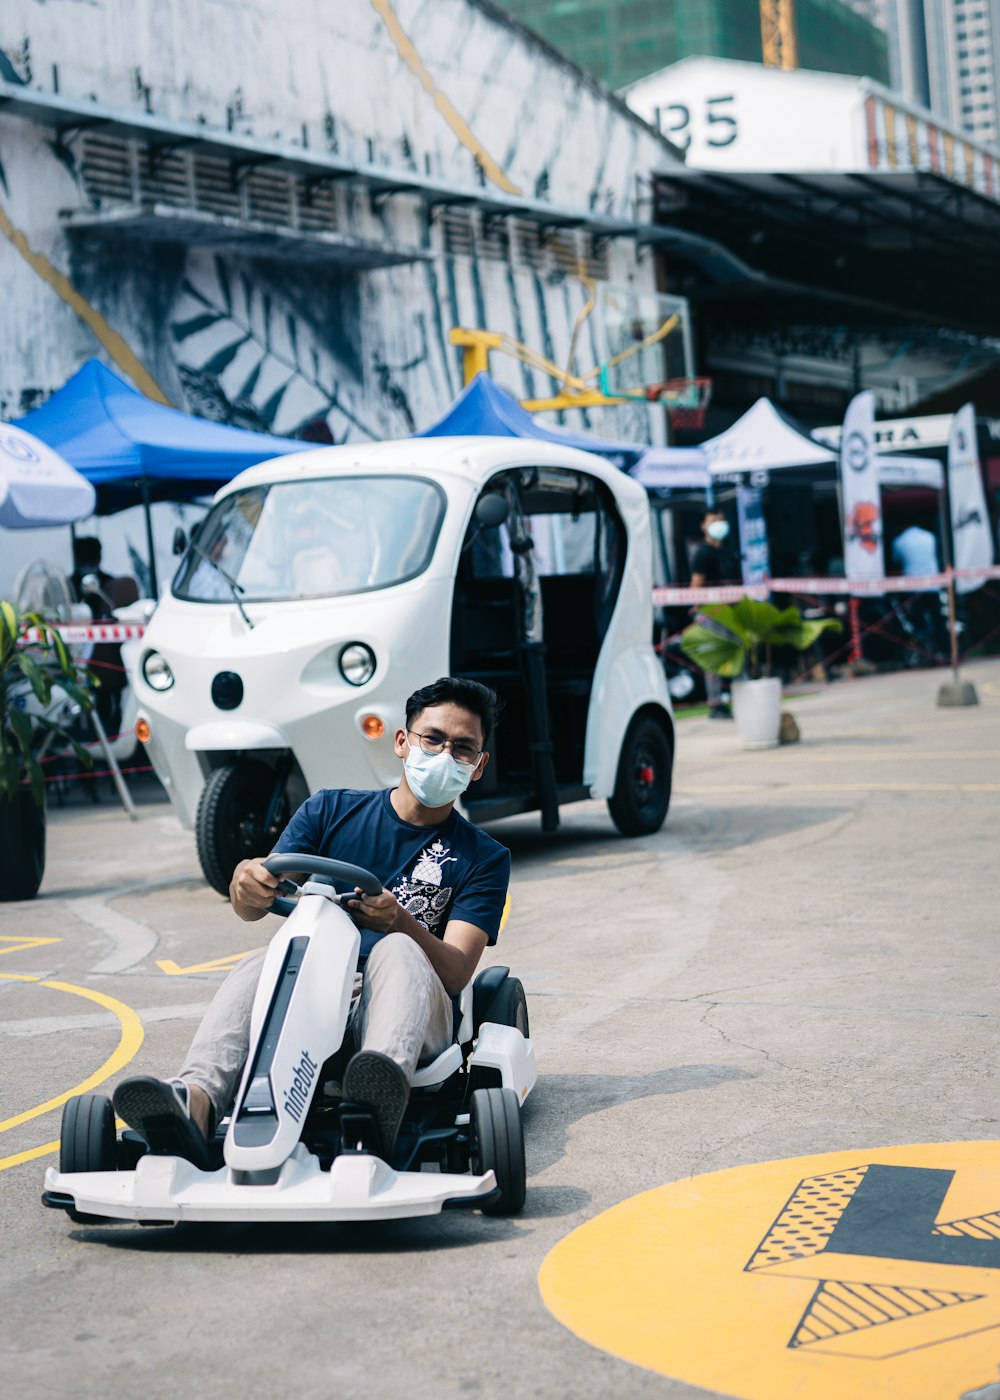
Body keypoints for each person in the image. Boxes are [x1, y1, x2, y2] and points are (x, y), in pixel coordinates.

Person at [113, 676, 510, 1163]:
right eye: (434, 739)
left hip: (414, 1007)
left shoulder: (484, 857)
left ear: (477, 766)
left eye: (463, 748)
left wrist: (401, 923)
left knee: (398, 950)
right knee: (265, 961)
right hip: (317, 989)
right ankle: (194, 1101)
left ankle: (377, 1099)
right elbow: (254, 904)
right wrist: (245, 882)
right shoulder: (330, 810)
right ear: (404, 742)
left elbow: (455, 972)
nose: (446, 755)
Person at [689, 509, 739, 719]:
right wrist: (695, 605)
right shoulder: (702, 552)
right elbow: (696, 583)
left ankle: (733, 697)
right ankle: (716, 703)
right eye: (713, 521)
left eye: (721, 520)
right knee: (714, 657)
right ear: (703, 526)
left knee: (735, 654)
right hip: (710, 612)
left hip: (729, 611)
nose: (719, 524)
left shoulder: (727, 550)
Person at [890, 524, 946, 663]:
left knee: (919, 623)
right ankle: (945, 651)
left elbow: (896, 560)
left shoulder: (900, 541)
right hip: (932, 584)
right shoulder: (929, 536)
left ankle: (925, 653)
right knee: (938, 620)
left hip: (913, 586)